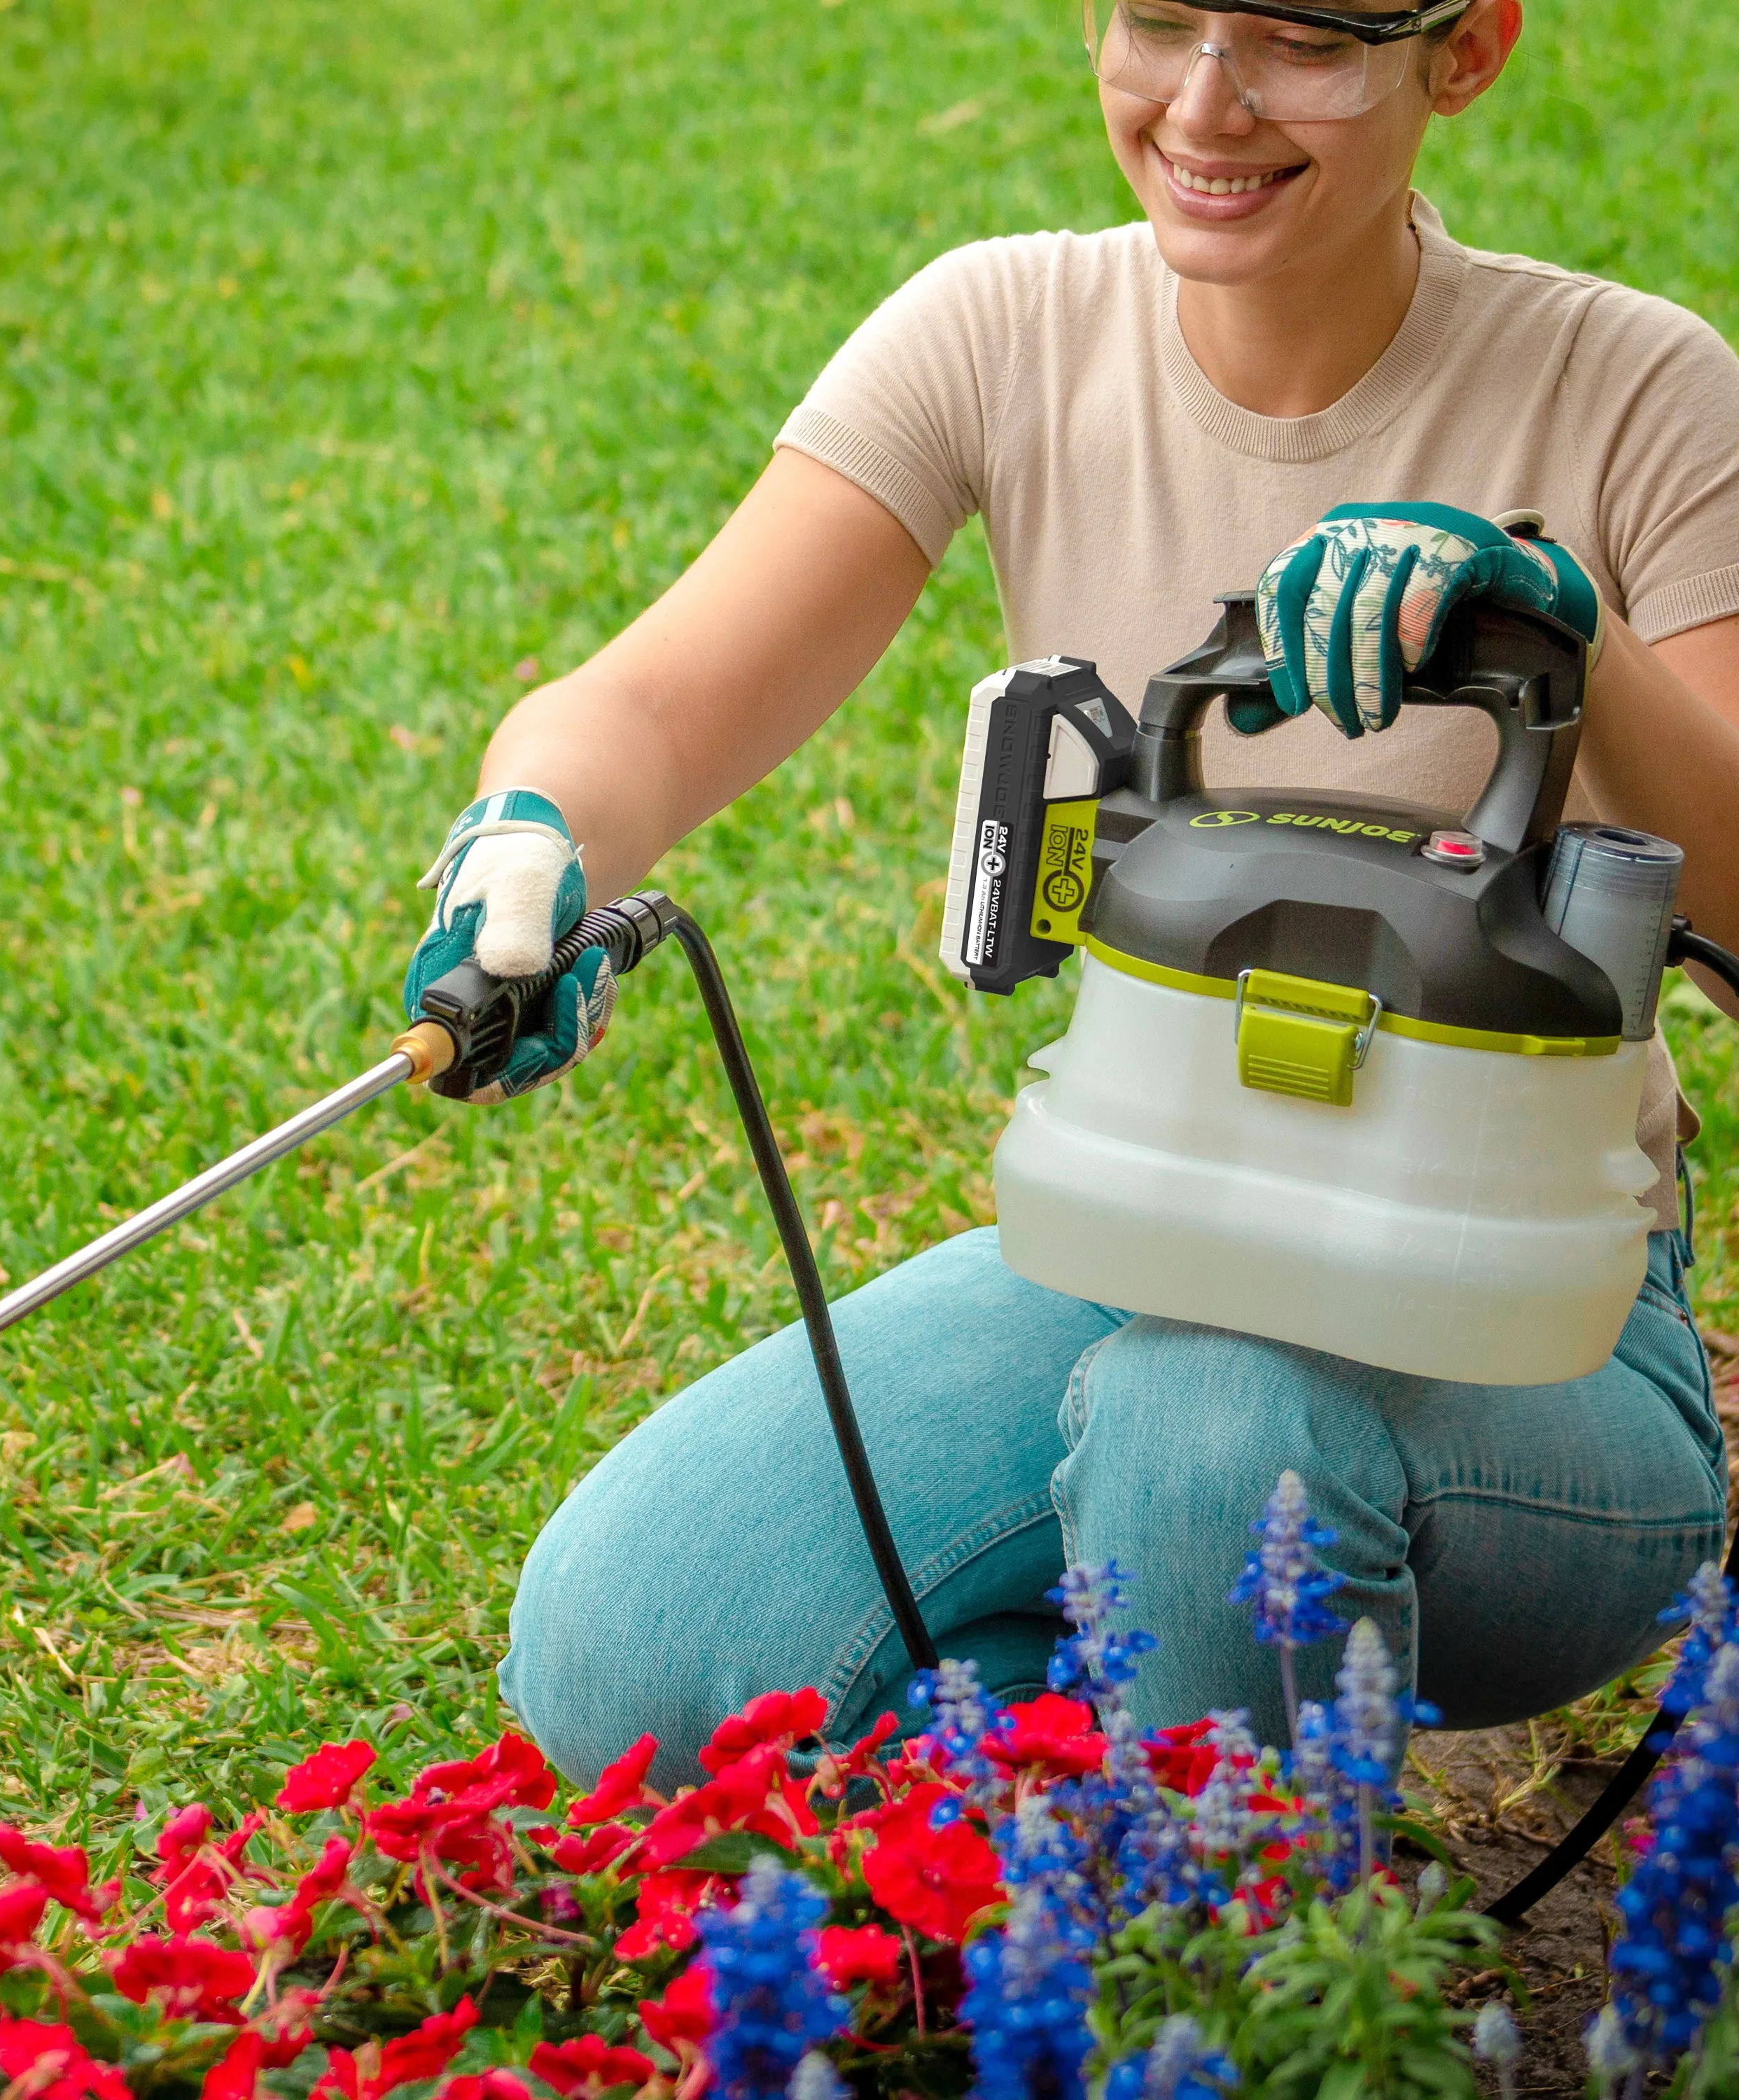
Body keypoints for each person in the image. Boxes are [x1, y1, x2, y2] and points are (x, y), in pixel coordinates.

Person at [403, 0, 1739, 1788]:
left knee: (1214, 1426)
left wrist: (1568, 624)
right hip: (1144, 1245)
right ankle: (1151, 1765)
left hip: (1534, 1327)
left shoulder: (1639, 392)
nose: (1203, 100)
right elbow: (655, 699)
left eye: (1302, 39)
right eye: (1156, 18)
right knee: (637, 1650)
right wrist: (531, 837)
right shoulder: (1006, 329)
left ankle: (1249, 1982)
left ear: (1467, 49)